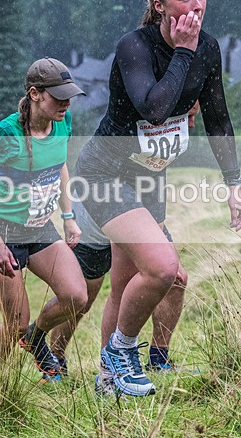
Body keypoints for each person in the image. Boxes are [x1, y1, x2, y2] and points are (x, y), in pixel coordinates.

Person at [73, 0, 241, 397]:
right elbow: (152, 105)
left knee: (126, 284)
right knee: (163, 269)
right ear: (159, 4)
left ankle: (108, 381)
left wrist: (235, 183)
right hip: (104, 174)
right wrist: (183, 53)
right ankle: (121, 353)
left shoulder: (208, 48)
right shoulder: (136, 46)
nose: (197, 4)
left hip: (149, 179)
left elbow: (218, 118)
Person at [48, 101, 202, 388]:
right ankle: (57, 358)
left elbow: (154, 175)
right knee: (83, 294)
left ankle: (158, 360)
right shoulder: (139, 116)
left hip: (138, 206)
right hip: (97, 208)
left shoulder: (167, 132)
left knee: (175, 277)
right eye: (189, 117)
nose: (191, 125)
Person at [0, 57, 88, 383]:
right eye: (58, 96)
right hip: (1, 232)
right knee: (14, 323)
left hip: (39, 228)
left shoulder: (62, 123)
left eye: (68, 96)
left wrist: (69, 217)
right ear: (35, 94)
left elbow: (59, 165)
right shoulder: (7, 132)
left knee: (76, 297)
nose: (65, 103)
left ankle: (35, 337)